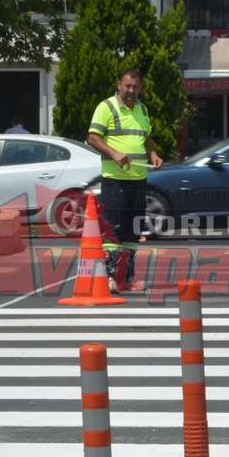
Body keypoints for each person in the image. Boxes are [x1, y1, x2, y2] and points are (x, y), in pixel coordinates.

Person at [87, 69, 163, 292]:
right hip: (115, 180)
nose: (131, 91)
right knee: (114, 231)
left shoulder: (142, 109)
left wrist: (154, 155)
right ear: (119, 84)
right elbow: (92, 137)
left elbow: (146, 138)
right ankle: (111, 277)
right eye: (127, 86)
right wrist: (114, 154)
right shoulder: (106, 107)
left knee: (133, 231)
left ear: (141, 87)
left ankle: (127, 278)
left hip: (138, 179)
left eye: (136, 87)